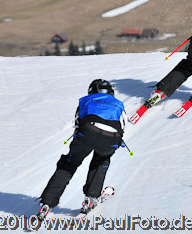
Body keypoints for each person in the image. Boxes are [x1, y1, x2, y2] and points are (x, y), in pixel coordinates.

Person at [38, 79, 126, 219]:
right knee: (101, 160)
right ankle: (91, 197)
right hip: (111, 136)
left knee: (69, 163)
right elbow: (122, 126)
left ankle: (48, 202)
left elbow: (78, 121)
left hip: (88, 131)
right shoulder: (119, 105)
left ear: (91, 91)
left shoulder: (86, 100)